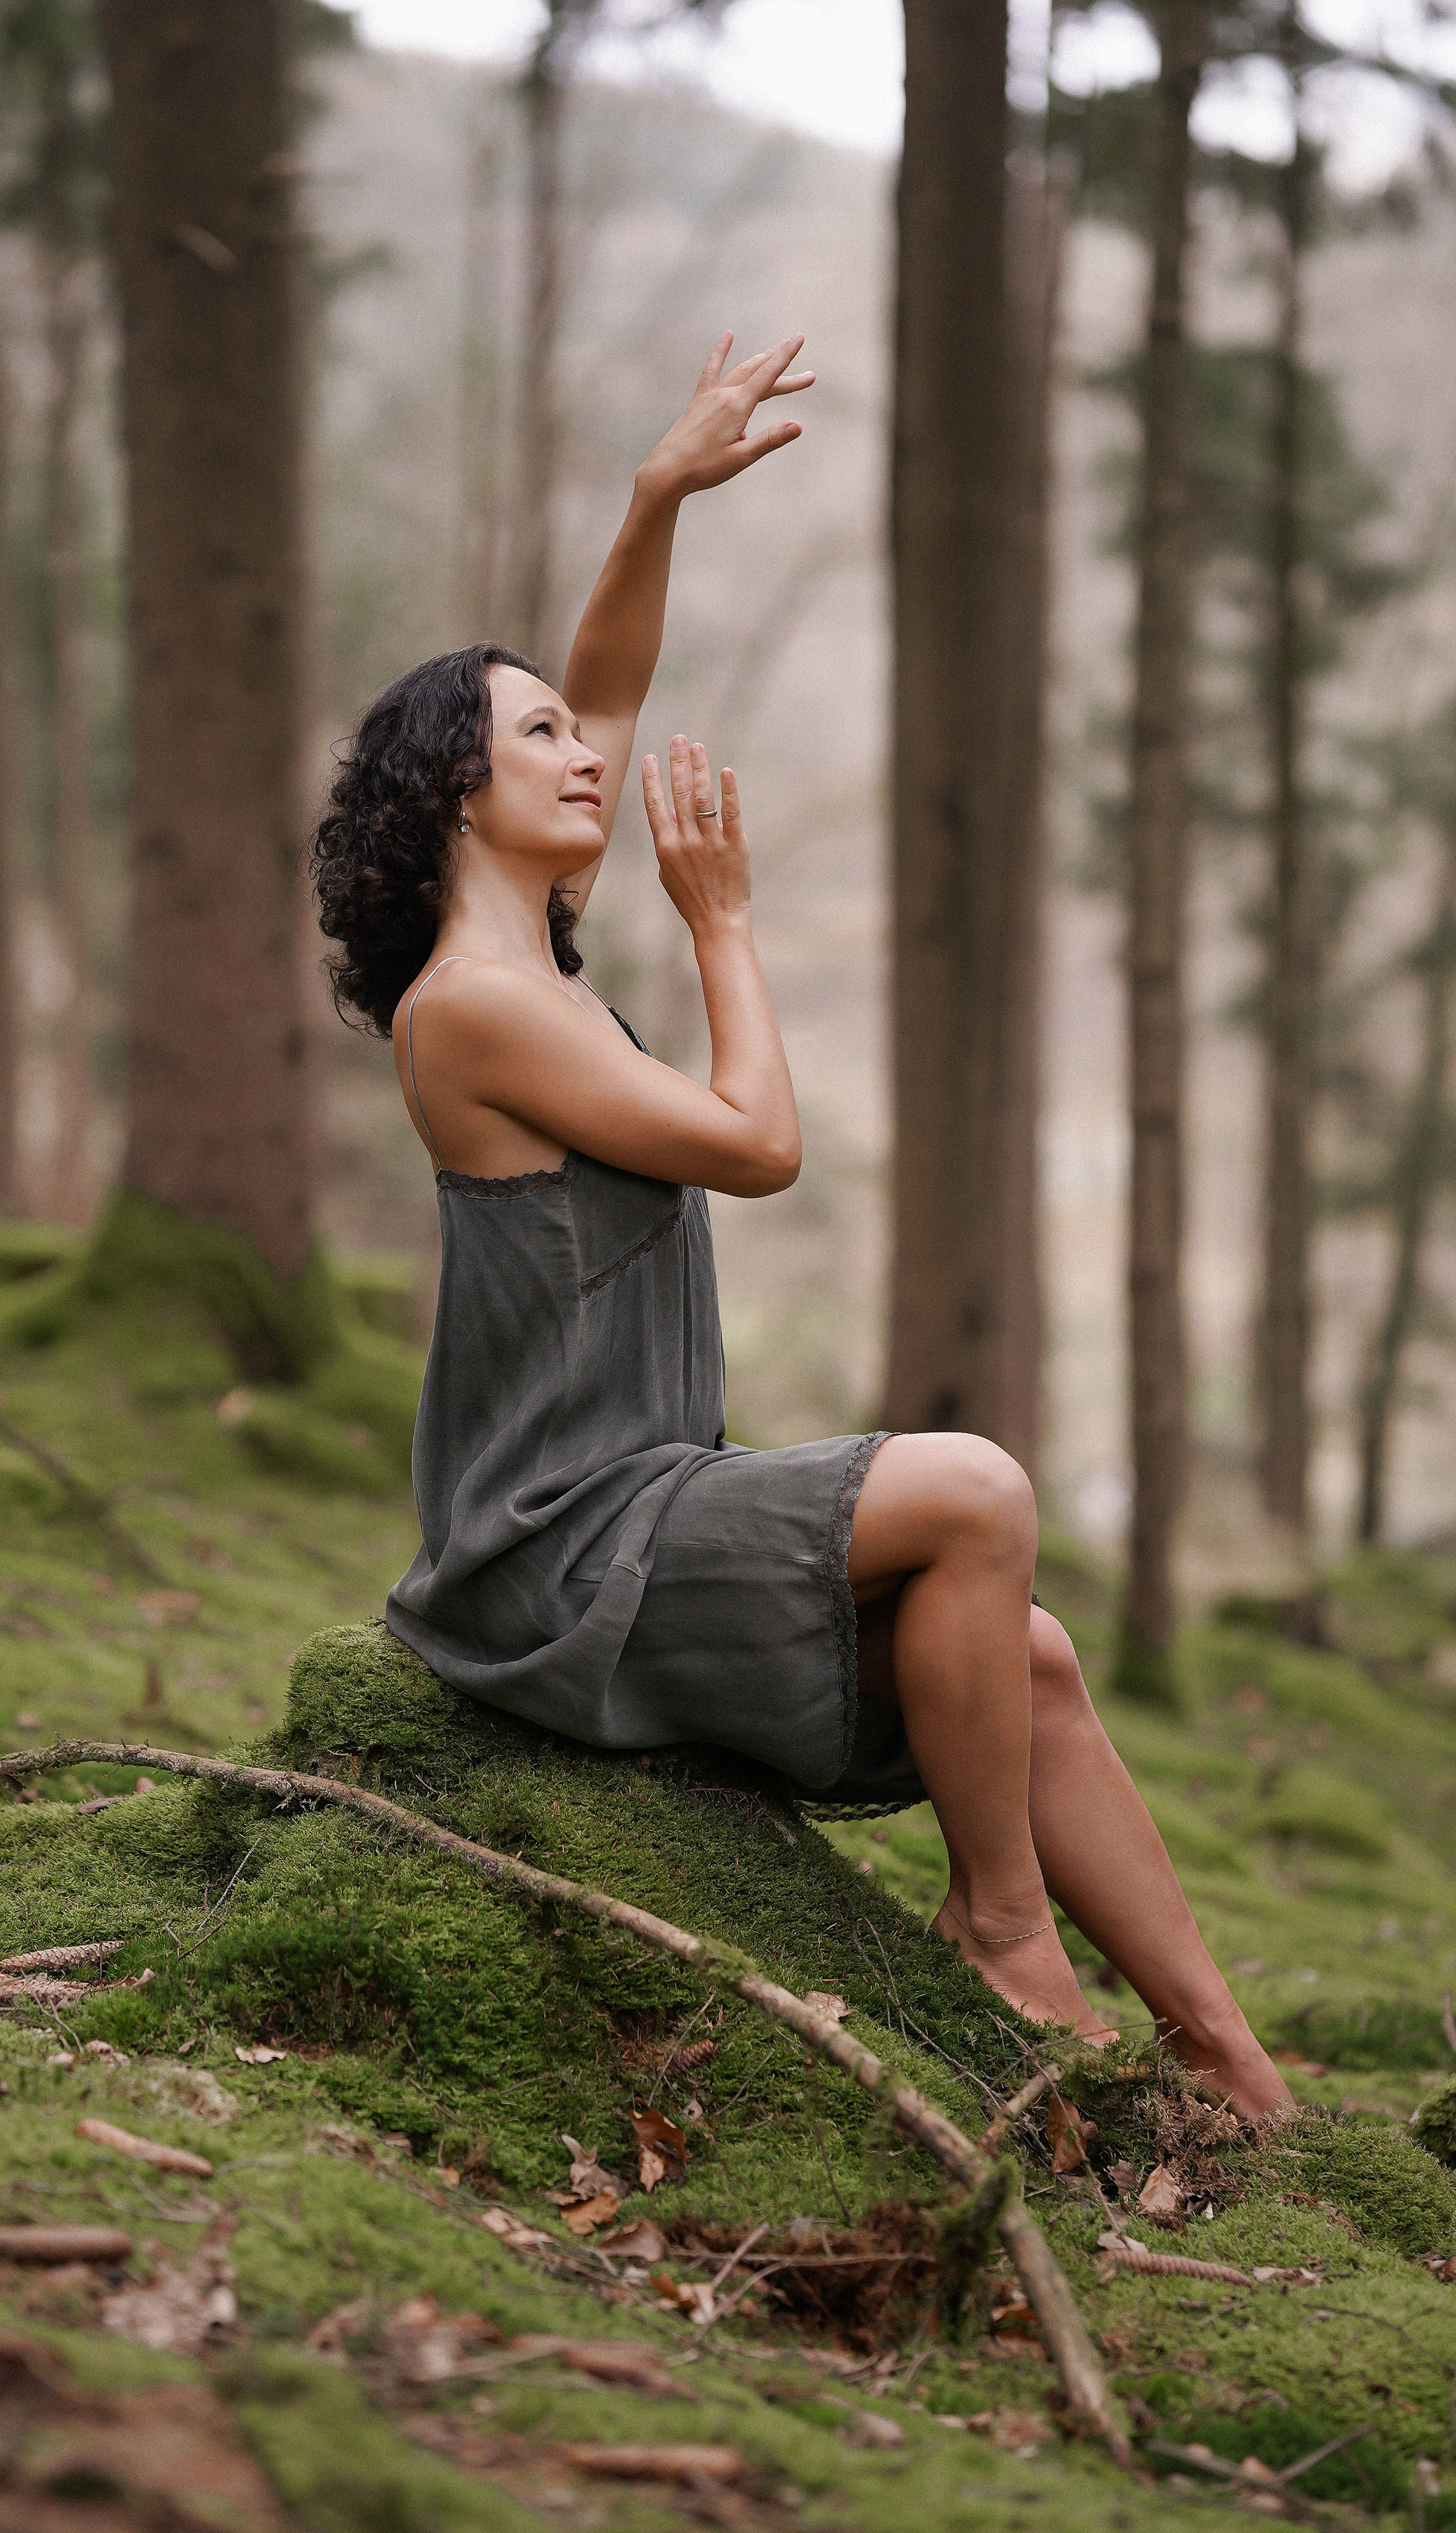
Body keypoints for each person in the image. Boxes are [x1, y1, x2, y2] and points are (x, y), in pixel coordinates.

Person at [312, 336, 1291, 2120]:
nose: (583, 751)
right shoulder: (475, 1004)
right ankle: (1001, 1929)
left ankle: (1232, 2062)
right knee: (978, 1491)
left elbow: (603, 684)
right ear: (460, 789)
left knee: (1037, 1652)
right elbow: (758, 1146)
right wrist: (726, 927)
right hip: (565, 1546)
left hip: (648, 1500)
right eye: (534, 738)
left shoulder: (520, 949)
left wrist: (656, 494)